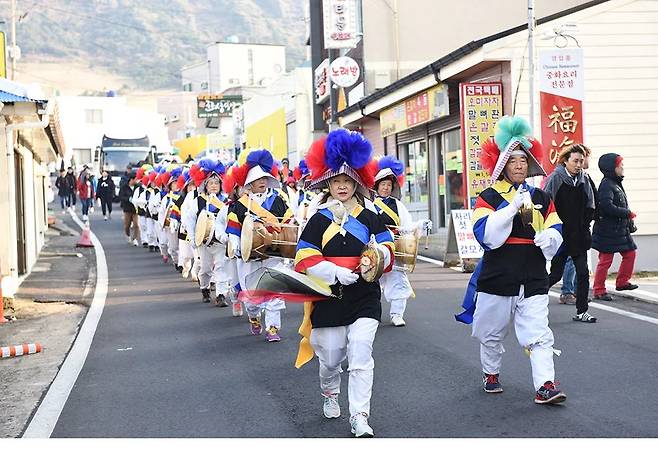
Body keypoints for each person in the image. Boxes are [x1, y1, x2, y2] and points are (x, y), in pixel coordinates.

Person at [293, 128, 395, 438]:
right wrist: (334, 273)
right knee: (332, 356)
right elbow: (304, 259)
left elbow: (389, 249)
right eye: (336, 181)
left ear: (356, 184)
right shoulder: (318, 218)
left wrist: (375, 258)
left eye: (347, 181)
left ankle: (360, 416)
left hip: (365, 294)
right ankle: (329, 389)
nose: (341, 186)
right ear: (328, 184)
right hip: (329, 296)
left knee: (361, 351)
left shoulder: (370, 217)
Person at [470, 116, 566, 405]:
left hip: (534, 272)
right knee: (491, 332)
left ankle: (545, 385)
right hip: (499, 272)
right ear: (501, 165)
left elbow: (556, 226)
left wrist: (550, 238)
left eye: (523, 160)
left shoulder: (541, 196)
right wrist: (510, 209)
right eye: (512, 160)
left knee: (539, 333)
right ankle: (490, 373)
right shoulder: (488, 197)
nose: (519, 165)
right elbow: (484, 234)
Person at [226, 150, 292, 342]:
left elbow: (289, 224)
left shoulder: (278, 201)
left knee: (273, 290)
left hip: (273, 254)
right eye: (258, 179)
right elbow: (233, 231)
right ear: (250, 183)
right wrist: (238, 247)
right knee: (253, 295)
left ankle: (273, 328)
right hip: (250, 256)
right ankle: (254, 316)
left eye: (265, 178)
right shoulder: (239, 206)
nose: (262, 182)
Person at [372, 156, 432, 326]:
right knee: (370, 281)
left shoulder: (398, 205)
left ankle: (397, 314)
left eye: (389, 185)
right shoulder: (368, 204)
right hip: (374, 246)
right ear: (377, 185)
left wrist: (421, 224)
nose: (385, 188)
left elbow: (407, 226)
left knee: (398, 279)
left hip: (395, 246)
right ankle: (370, 313)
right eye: (383, 184)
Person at [543, 144, 597, 323]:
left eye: (581, 161)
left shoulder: (584, 179)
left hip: (579, 234)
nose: (579, 165)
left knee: (582, 273)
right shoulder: (555, 178)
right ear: (565, 161)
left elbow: (591, 204)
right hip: (561, 235)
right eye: (575, 161)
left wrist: (585, 224)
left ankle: (582, 311)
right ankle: (530, 300)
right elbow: (546, 203)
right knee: (556, 274)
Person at [183, 159, 231, 306]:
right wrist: (192, 238)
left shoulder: (227, 201)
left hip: (220, 242)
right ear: (205, 185)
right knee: (205, 269)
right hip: (204, 242)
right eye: (211, 183)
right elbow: (190, 221)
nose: (214, 186)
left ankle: (221, 295)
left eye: (217, 183)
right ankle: (204, 288)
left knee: (221, 267)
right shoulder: (198, 201)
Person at [591, 153, 638, 300]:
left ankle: (622, 282)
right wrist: (627, 213)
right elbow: (606, 206)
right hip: (607, 230)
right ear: (612, 168)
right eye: (619, 165)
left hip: (619, 230)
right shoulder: (607, 184)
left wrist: (628, 219)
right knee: (605, 260)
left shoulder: (615, 183)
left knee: (630, 253)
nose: (622, 167)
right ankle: (599, 290)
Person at [119, 172, 140, 246]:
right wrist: (128, 199)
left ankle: (135, 239)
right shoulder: (124, 187)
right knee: (127, 225)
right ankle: (128, 236)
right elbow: (121, 196)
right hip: (127, 208)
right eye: (136, 179)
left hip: (135, 209)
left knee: (136, 224)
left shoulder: (138, 187)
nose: (137, 181)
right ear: (131, 179)